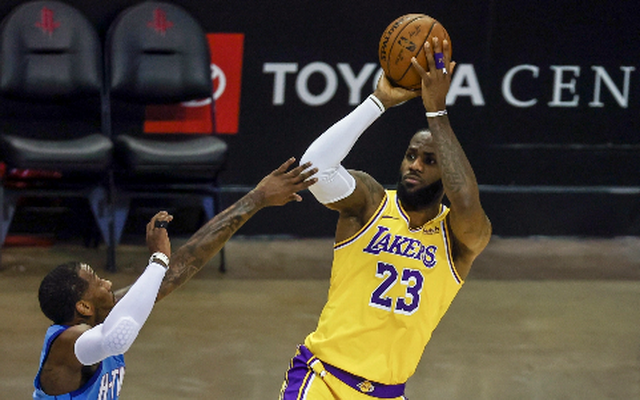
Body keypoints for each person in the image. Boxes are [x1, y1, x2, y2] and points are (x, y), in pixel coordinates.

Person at [280, 37, 492, 399]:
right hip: (323, 379)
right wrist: (378, 102)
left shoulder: (458, 241)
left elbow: (467, 202)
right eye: (411, 156)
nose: (415, 165)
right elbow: (314, 168)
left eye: (429, 160)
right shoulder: (369, 204)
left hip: (388, 393)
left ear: (448, 172)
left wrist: (437, 112)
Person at [33, 157, 317, 399]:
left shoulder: (107, 315)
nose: (107, 283)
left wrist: (256, 199)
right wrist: (157, 260)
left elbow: (184, 264)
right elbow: (117, 339)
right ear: (83, 307)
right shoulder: (68, 344)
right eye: (97, 282)